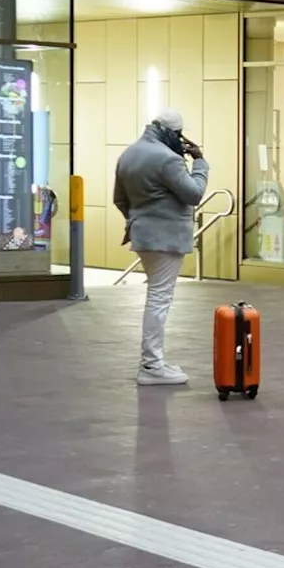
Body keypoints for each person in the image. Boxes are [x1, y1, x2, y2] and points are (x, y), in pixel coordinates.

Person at [113, 109, 209, 386]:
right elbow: (194, 194)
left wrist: (138, 221)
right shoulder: (168, 159)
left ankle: (153, 362)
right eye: (179, 135)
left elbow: (119, 199)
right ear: (171, 133)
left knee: (156, 295)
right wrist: (200, 162)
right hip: (166, 238)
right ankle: (152, 365)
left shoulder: (129, 154)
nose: (180, 140)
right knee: (159, 298)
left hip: (142, 235)